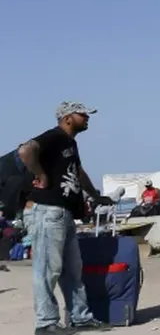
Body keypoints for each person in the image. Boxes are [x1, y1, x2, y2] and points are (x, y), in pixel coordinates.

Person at [19, 101, 113, 333]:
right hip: (46, 210)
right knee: (47, 270)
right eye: (83, 114)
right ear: (67, 118)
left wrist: (95, 196)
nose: (87, 118)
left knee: (72, 271)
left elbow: (78, 173)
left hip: (63, 212)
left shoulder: (70, 143)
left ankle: (80, 318)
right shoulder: (55, 136)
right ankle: (46, 323)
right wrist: (41, 175)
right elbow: (25, 150)